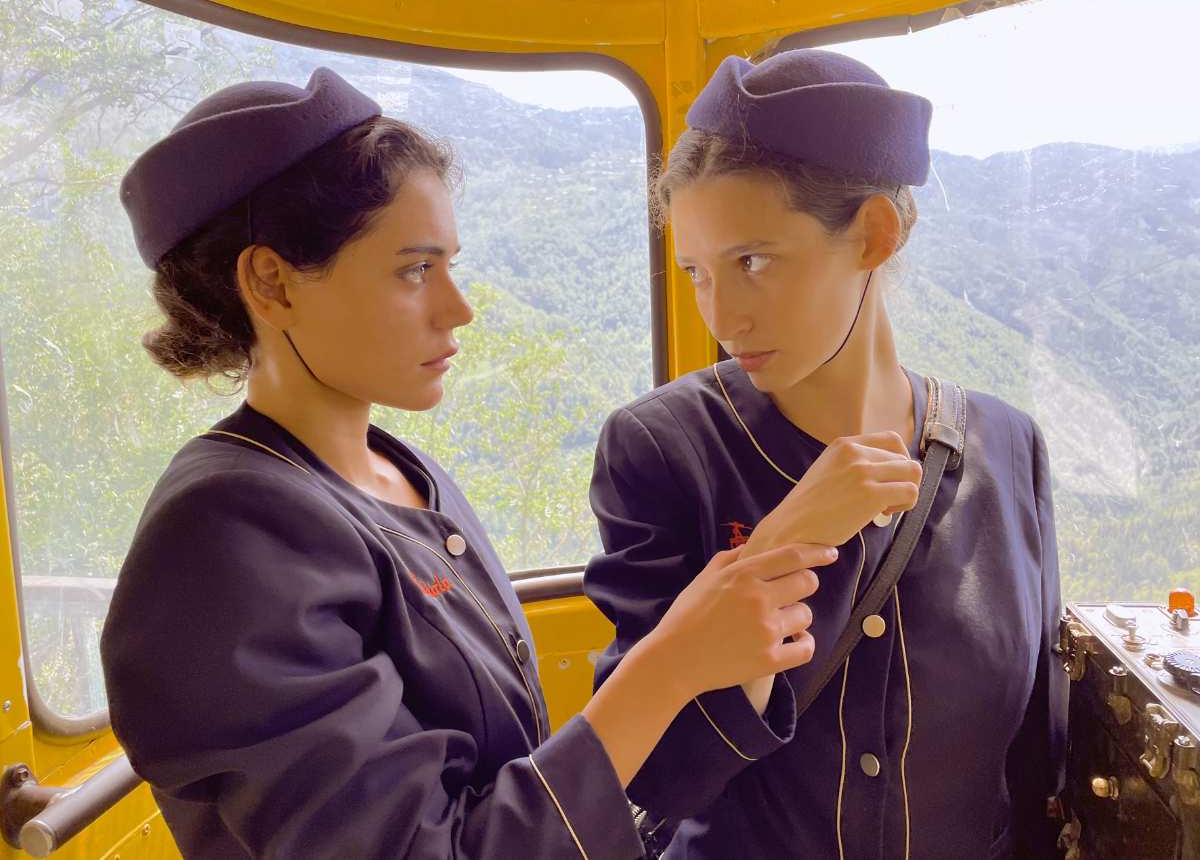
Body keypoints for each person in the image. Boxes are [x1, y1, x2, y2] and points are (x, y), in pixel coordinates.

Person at [99, 67, 836, 860]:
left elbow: (507, 785)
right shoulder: (227, 536)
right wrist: (669, 663)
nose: (458, 307)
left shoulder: (399, 474)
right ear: (271, 282)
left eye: (450, 264)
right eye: (415, 269)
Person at [584, 49, 1068, 860]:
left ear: (874, 234)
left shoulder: (1009, 448)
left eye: (754, 262)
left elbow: (1037, 762)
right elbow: (656, 774)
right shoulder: (663, 451)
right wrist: (787, 544)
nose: (722, 317)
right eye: (698, 273)